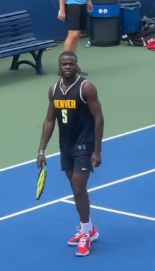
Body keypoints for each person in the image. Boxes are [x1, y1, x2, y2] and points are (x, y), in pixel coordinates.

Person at [37, 51, 104, 257]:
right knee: (76, 190)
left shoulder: (86, 88)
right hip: (65, 147)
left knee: (78, 188)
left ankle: (86, 233)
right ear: (59, 66)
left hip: (84, 146)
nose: (67, 67)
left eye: (71, 64)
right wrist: (41, 149)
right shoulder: (54, 90)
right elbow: (50, 120)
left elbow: (99, 118)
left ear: (76, 65)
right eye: (64, 64)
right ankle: (89, 229)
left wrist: (97, 151)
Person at [57, 0, 93, 76]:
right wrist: (62, 10)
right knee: (73, 34)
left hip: (83, 4)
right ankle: (63, 65)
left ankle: (73, 64)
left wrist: (89, 1)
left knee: (77, 34)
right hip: (72, 5)